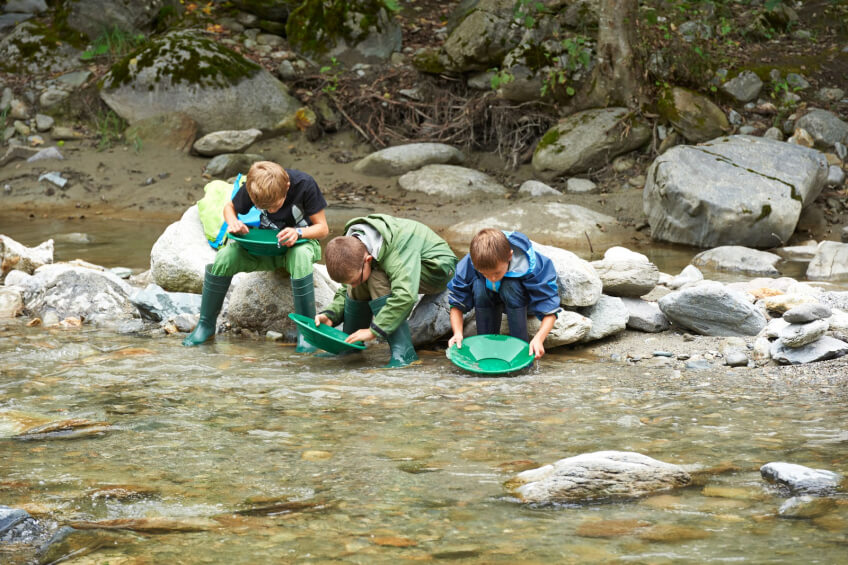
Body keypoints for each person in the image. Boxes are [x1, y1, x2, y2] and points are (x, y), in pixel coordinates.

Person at [183, 161, 329, 352]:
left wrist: (299, 232)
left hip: (297, 247)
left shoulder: (305, 185)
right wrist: (233, 222)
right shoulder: (255, 184)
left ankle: (307, 332)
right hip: (262, 249)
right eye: (265, 208)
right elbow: (229, 208)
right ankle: (206, 325)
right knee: (226, 256)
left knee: (300, 255)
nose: (272, 211)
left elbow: (323, 229)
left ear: (287, 187)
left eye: (275, 205)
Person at [316, 214, 457, 368]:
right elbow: (347, 287)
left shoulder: (396, 249)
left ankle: (404, 353)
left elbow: (405, 295)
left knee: (375, 277)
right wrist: (331, 315)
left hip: (438, 270)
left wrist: (374, 331)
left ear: (368, 259)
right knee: (363, 278)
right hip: (401, 265)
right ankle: (350, 346)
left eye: (353, 281)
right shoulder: (353, 247)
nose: (353, 286)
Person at [447, 228, 561, 359]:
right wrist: (458, 333)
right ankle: (486, 350)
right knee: (479, 286)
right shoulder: (472, 262)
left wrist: (538, 338)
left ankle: (521, 353)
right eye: (485, 274)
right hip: (489, 298)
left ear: (510, 256)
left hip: (523, 302)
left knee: (509, 284)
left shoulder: (531, 264)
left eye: (497, 273)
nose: (492, 278)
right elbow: (456, 301)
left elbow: (549, 308)